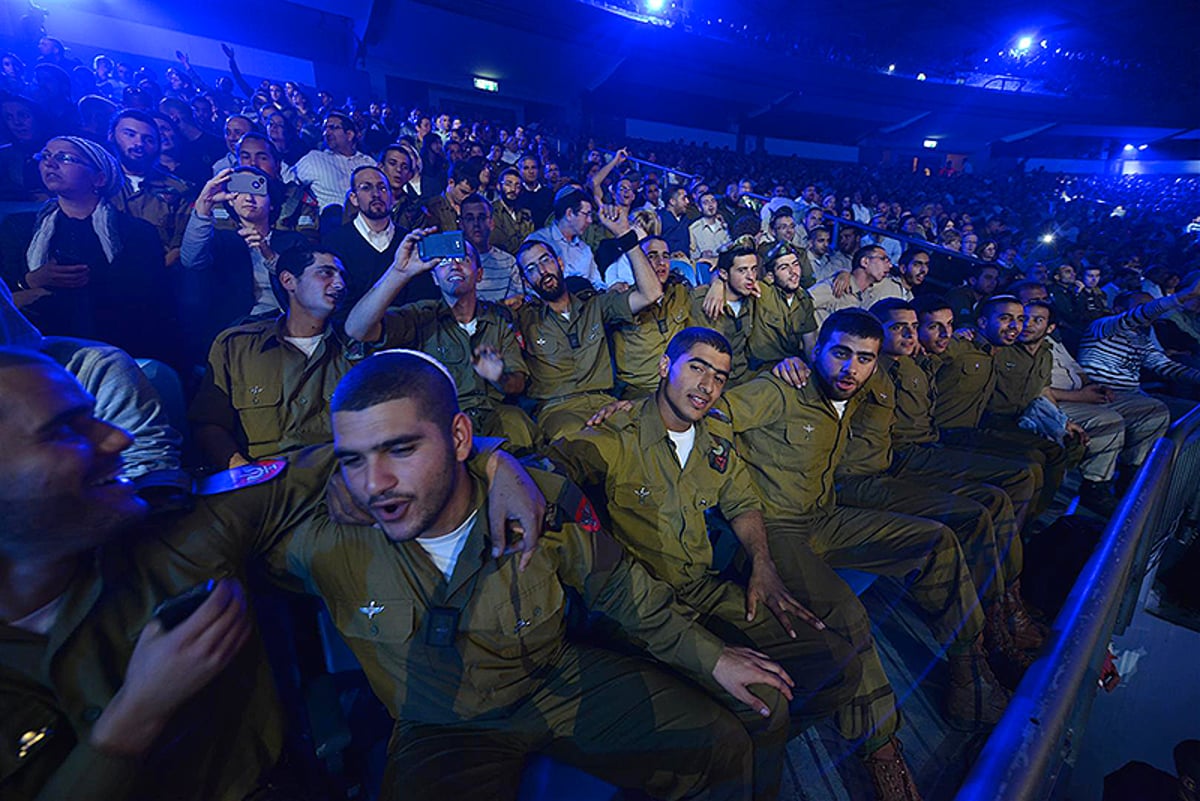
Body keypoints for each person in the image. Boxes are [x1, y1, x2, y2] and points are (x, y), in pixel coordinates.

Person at [0, 345, 546, 801]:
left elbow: (344, 455)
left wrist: (495, 462)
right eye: (63, 430)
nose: (116, 438)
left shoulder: (182, 528)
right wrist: (129, 724)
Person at [293, 349, 797, 801]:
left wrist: (712, 659)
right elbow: (225, 507)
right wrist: (319, 472)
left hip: (557, 677)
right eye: (353, 460)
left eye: (400, 449)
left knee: (723, 743)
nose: (375, 482)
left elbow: (620, 589)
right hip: (443, 727)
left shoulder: (534, 500)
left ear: (460, 438)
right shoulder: (326, 537)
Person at [551, 327, 926, 800]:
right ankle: (744, 774)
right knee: (765, 700)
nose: (707, 384)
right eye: (696, 367)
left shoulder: (714, 441)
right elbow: (555, 468)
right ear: (665, 367)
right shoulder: (617, 435)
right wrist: (503, 468)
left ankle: (736, 758)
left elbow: (743, 500)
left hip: (703, 589)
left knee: (839, 666)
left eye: (720, 376)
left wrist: (763, 564)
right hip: (639, 607)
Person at [723, 309, 1010, 729]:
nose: (850, 367)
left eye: (863, 358)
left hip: (826, 515)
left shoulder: (860, 384)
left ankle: (970, 667)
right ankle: (881, 749)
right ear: (817, 350)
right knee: (849, 616)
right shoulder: (781, 388)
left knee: (937, 540)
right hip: (775, 527)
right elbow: (709, 414)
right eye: (840, 354)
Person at [343, 229, 539, 453]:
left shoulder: (498, 319)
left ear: (479, 274)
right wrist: (399, 272)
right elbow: (357, 329)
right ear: (434, 278)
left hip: (498, 416)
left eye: (463, 259)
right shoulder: (421, 317)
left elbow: (517, 385)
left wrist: (498, 376)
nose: (454, 266)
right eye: (444, 262)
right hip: (443, 423)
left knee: (522, 447)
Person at [0, 135, 176, 365]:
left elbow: (145, 300)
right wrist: (30, 281)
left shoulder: (136, 232)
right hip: (32, 351)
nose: (50, 163)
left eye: (64, 158)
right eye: (46, 156)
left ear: (99, 178)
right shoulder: (18, 227)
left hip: (115, 348)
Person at [189, 246, 351, 469]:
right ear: (288, 281)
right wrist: (242, 471)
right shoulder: (238, 346)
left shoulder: (353, 349)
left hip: (332, 482)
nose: (339, 284)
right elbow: (209, 424)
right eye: (326, 273)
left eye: (342, 276)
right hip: (259, 479)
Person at [514, 204, 661, 440]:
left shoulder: (596, 305)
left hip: (604, 401)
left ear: (560, 263)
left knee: (643, 432)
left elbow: (651, 293)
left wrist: (625, 235)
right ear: (525, 280)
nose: (542, 271)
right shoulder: (522, 316)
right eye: (531, 268)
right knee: (580, 441)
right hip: (557, 410)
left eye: (545, 261)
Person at [609, 236, 694, 398]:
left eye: (665, 256)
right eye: (652, 256)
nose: (661, 262)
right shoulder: (624, 300)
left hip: (678, 384)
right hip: (639, 391)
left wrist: (717, 283)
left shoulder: (680, 293)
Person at [107, 108, 194, 267]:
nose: (139, 143)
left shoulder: (178, 189)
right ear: (112, 136)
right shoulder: (95, 184)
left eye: (148, 139)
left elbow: (184, 241)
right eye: (130, 134)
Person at [524, 187, 606, 291]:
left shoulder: (584, 248)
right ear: (569, 214)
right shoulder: (538, 241)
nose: (589, 220)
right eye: (586, 214)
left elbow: (597, 282)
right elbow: (530, 285)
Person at [293, 112, 376, 211]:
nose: (326, 133)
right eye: (325, 128)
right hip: (333, 221)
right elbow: (288, 181)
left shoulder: (368, 162)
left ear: (349, 135)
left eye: (332, 127)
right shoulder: (314, 159)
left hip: (368, 219)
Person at [458, 192, 523, 305]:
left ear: (492, 223)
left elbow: (516, 302)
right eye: (470, 219)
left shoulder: (508, 262)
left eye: (482, 217)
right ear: (461, 224)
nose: (476, 224)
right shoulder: (451, 263)